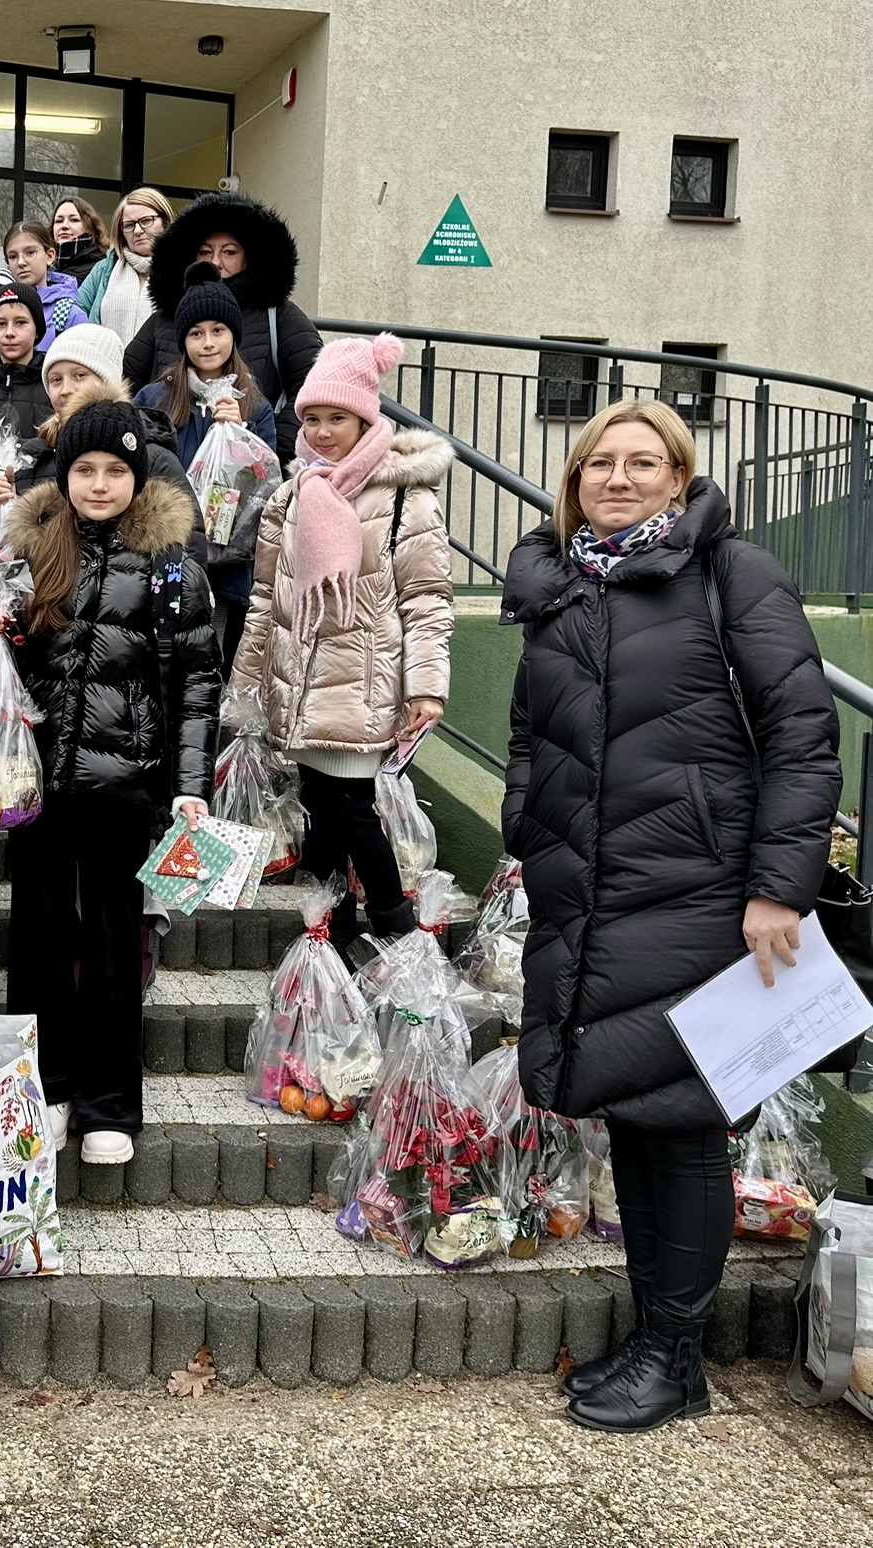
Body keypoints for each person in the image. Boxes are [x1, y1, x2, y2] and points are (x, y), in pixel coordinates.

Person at [503, 399, 839, 1434]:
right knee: (636, 1124)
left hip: (700, 894)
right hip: (595, 897)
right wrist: (525, 833)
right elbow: (532, 738)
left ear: (679, 474)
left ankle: (675, 1356)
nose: (617, 477)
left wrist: (780, 886)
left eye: (642, 462)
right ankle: (656, 1342)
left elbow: (803, 730)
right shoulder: (565, 590)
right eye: (599, 462)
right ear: (574, 482)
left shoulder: (733, 573)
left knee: (684, 1125)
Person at [0, 399, 218, 1165]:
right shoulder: (30, 548)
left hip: (126, 783)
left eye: (116, 470)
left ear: (138, 476)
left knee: (113, 941)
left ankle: (108, 1104)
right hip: (37, 783)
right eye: (86, 470)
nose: (101, 484)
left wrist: (189, 784)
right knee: (39, 937)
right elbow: (4, 672)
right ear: (65, 474)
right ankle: (40, 1089)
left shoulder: (173, 568)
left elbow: (197, 687)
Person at [229, 334, 453, 951]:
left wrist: (427, 687)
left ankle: (400, 934)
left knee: (351, 809)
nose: (324, 432)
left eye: (338, 418)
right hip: (298, 684)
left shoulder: (404, 495)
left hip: (363, 685)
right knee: (322, 814)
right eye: (313, 419)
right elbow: (265, 601)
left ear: (366, 418)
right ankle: (330, 941)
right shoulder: (291, 495)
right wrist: (246, 685)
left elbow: (427, 598)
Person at [134, 264, 279, 664]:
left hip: (226, 564)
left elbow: (267, 490)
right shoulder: (154, 399)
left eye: (218, 331)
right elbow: (137, 470)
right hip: (166, 556)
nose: (208, 342)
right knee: (163, 660)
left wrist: (241, 436)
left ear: (234, 335)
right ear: (183, 341)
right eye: (196, 333)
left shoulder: (256, 407)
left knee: (211, 665)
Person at [137, 192, 324, 453]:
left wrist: (274, 446)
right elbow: (127, 381)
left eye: (229, 252)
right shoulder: (167, 315)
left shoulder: (278, 315)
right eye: (205, 252)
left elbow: (313, 382)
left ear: (248, 257)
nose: (215, 262)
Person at [9, 324, 185, 497]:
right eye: (56, 380)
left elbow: (189, 524)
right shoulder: (33, 456)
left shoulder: (151, 454)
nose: (65, 389)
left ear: (107, 382)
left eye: (80, 376)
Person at [76, 188, 172, 347]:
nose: (138, 230)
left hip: (164, 370)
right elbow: (77, 315)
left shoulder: (183, 268)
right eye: (129, 225)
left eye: (147, 221)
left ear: (165, 221)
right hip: (105, 368)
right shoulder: (104, 269)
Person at [0, 279, 53, 440]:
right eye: (1, 324)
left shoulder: (52, 389)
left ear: (37, 330)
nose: (10, 332)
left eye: (20, 323)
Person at [1, 222, 84, 345]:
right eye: (13, 256)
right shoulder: (2, 309)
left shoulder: (69, 315)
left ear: (49, 256)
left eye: (30, 253)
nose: (21, 262)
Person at [50, 196, 108, 282]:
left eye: (74, 220)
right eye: (59, 221)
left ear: (89, 227)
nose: (64, 226)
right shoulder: (42, 267)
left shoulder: (101, 269)